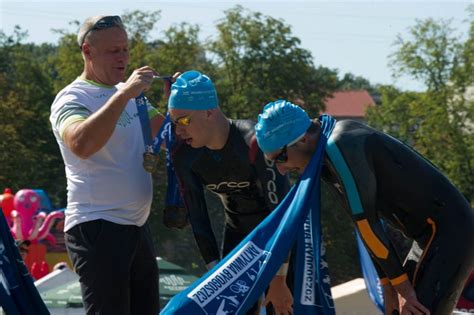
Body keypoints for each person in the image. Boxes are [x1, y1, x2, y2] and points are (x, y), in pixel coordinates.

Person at [254, 100, 474, 315]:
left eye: (280, 158)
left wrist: (403, 289)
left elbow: (367, 223)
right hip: (429, 236)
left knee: (418, 310)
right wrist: (388, 286)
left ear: (301, 140)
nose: (281, 170)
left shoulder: (339, 144)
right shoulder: (322, 155)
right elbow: (363, 227)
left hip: (453, 231)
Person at [50, 15, 166, 315]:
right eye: (114, 51)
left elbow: (169, 134)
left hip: (137, 227)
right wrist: (125, 93)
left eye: (125, 49)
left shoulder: (128, 96)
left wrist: (180, 101)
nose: (123, 57)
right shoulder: (72, 97)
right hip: (97, 226)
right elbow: (81, 143)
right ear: (87, 51)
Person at [167, 70, 293, 314]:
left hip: (283, 240)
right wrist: (216, 274)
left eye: (183, 120)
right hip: (238, 239)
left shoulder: (255, 141)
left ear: (209, 112)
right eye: (173, 122)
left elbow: (282, 213)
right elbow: (199, 221)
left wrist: (278, 280)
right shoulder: (185, 156)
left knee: (284, 306)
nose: (178, 131)